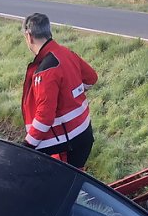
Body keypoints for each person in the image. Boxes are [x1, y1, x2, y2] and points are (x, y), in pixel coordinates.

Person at [21, 13, 98, 170]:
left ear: (29, 37)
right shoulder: (66, 53)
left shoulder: (45, 71)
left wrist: (27, 145)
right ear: (49, 32)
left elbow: (44, 118)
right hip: (84, 134)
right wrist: (72, 92)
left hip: (64, 142)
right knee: (75, 181)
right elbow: (91, 78)